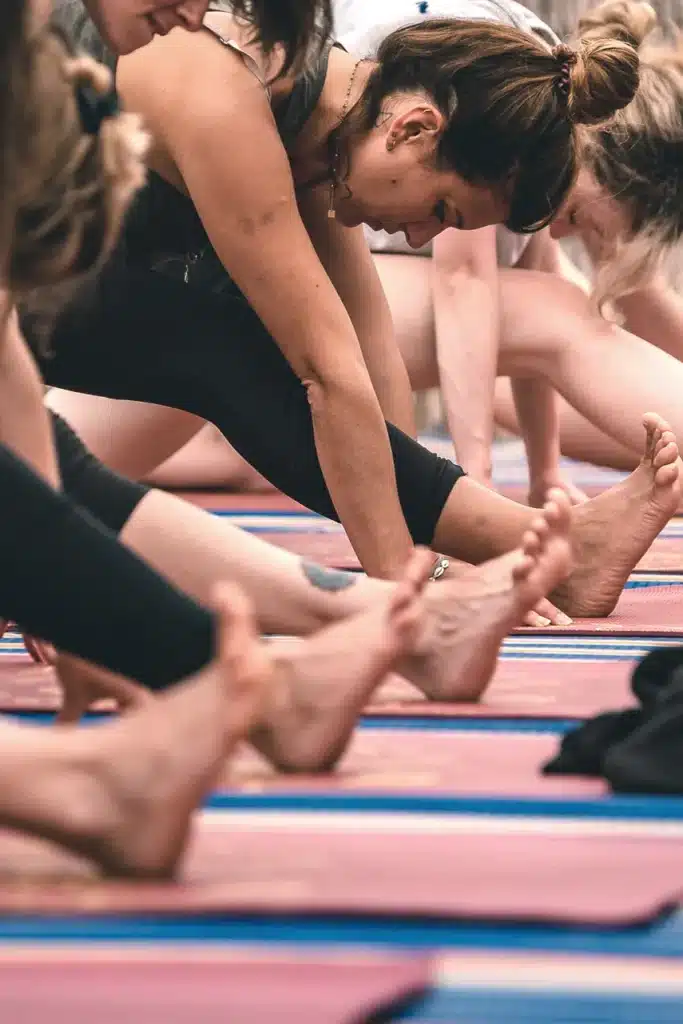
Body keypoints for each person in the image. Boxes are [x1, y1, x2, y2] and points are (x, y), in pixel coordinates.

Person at [38, 0, 680, 629]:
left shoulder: (324, 123)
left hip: (53, 282)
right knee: (236, 349)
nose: (422, 239)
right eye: (443, 211)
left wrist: (424, 550)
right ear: (413, 129)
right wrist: (408, 591)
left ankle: (540, 550)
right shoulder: (228, 99)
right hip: (37, 295)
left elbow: (369, 353)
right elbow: (328, 373)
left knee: (237, 349)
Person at [327, 0, 683, 505]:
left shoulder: (540, 86)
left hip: (247, 286)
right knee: (550, 308)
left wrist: (545, 473)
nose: (560, 233)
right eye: (578, 218)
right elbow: (464, 282)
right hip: (246, 273)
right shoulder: (498, 101)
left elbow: (527, 289)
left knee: (546, 303)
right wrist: (475, 488)